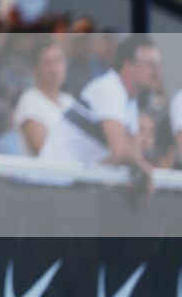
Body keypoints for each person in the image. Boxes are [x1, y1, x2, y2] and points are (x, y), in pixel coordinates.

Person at [69, 35, 162, 185]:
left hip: (69, 187)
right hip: (48, 183)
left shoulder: (129, 102)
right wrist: (145, 170)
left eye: (159, 65)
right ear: (128, 66)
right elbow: (120, 151)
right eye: (150, 65)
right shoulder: (109, 88)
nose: (158, 73)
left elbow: (130, 152)